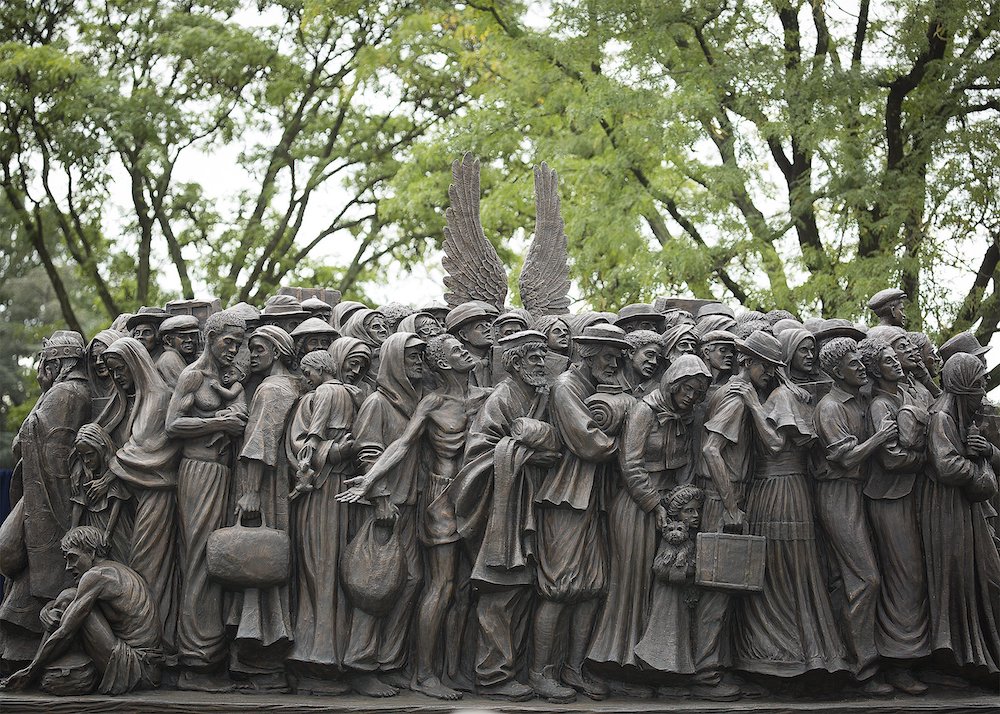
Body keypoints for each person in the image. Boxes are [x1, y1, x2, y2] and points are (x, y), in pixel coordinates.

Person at [733, 328, 849, 680]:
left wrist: (752, 403)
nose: (768, 372)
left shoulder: (781, 395)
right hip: (785, 488)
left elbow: (773, 446)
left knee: (782, 569)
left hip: (778, 489)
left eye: (772, 365)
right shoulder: (792, 393)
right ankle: (806, 653)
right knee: (789, 569)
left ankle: (788, 654)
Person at [588, 356, 711, 688]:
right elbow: (630, 463)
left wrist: (682, 501)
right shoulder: (644, 411)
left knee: (660, 587)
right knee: (632, 583)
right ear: (672, 383)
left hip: (668, 508)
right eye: (687, 389)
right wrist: (655, 504)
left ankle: (651, 664)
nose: (691, 397)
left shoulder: (686, 419)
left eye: (697, 392)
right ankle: (618, 661)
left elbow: (686, 463)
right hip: (636, 506)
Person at [531, 324, 629, 702]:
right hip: (566, 500)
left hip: (593, 501)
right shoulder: (566, 386)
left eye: (618, 357)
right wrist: (630, 431)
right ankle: (541, 672)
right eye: (608, 355)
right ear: (587, 353)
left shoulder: (598, 389)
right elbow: (590, 443)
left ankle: (573, 667)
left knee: (591, 588)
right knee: (558, 588)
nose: (614, 363)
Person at [695, 330, 784, 699]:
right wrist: (731, 506)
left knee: (724, 586)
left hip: (728, 494)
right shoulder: (736, 397)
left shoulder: (743, 394)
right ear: (749, 363)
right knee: (717, 588)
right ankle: (705, 674)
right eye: (767, 366)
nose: (772, 374)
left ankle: (712, 665)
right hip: (722, 498)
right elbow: (711, 450)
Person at [166, 310, 249, 690]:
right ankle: (195, 662)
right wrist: (219, 423)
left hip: (222, 472)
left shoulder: (226, 380)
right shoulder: (193, 375)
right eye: (228, 341)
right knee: (198, 558)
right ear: (210, 338)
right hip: (197, 472)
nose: (233, 349)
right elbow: (173, 425)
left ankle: (212, 654)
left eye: (239, 343)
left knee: (216, 560)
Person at [343, 332, 429, 697]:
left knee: (409, 582)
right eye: (412, 358)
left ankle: (390, 662)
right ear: (394, 360)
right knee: (375, 585)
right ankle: (361, 665)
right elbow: (366, 451)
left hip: (410, 505)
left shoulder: (416, 401)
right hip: (384, 508)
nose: (419, 364)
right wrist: (378, 498)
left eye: (421, 357)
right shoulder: (378, 402)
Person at [0, 331, 91, 665]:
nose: (41, 370)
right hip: (49, 496)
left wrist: (43, 395)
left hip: (47, 500)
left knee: (22, 559)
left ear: (55, 363)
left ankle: (25, 648)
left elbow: (22, 443)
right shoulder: (79, 392)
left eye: (44, 363)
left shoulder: (62, 394)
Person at [813, 337, 898, 695]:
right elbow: (845, 458)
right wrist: (880, 438)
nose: (861, 367)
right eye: (853, 364)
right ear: (835, 372)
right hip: (838, 494)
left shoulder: (864, 400)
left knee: (850, 580)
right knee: (866, 580)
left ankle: (843, 663)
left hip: (862, 493)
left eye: (861, 362)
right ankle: (864, 670)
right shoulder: (830, 407)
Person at [0, 526, 162, 695]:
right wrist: (47, 610)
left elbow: (65, 632)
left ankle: (34, 674)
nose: (68, 567)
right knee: (70, 598)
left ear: (91, 552)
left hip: (135, 668)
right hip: (149, 668)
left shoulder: (95, 576)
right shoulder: (116, 571)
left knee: (72, 605)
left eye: (72, 558)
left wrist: (31, 671)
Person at [856, 336, 931, 693]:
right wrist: (926, 460)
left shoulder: (904, 394)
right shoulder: (879, 407)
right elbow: (889, 458)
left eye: (894, 358)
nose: (896, 363)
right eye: (888, 360)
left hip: (908, 497)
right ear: (875, 369)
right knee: (904, 577)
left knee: (915, 577)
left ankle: (914, 657)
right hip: (887, 498)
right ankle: (898, 662)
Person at [228, 326, 301, 690]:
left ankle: (259, 654)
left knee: (260, 565)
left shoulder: (272, 389)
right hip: (273, 483)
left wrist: (250, 491)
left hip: (266, 485)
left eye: (257, 348)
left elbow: (260, 442)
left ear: (277, 349)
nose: (251, 354)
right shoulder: (291, 386)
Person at [101, 336, 182, 665]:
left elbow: (145, 450)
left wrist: (109, 473)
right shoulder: (136, 399)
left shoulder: (159, 397)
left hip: (157, 495)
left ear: (135, 363)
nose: (117, 376)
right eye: (112, 370)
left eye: (121, 368)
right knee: (139, 564)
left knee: (149, 567)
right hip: (136, 496)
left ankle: (155, 642)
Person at [283, 349, 358, 693]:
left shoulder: (326, 392)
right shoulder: (352, 393)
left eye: (307, 372)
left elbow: (312, 440)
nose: (306, 380)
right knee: (323, 568)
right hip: (336, 488)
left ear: (318, 370)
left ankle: (321, 655)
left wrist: (309, 465)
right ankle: (321, 652)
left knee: (319, 566)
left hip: (323, 491)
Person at [922, 353, 1000, 679]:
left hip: (962, 507)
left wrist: (983, 452)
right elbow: (946, 465)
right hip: (946, 508)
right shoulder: (942, 416)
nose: (984, 391)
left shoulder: (962, 415)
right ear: (965, 384)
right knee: (966, 579)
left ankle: (980, 656)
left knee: (986, 578)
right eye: (979, 383)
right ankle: (966, 660)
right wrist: (980, 469)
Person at [156, 315, 202, 388]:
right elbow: (190, 387)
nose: (189, 340)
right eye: (182, 336)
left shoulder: (188, 357)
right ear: (169, 340)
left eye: (192, 336)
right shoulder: (169, 358)